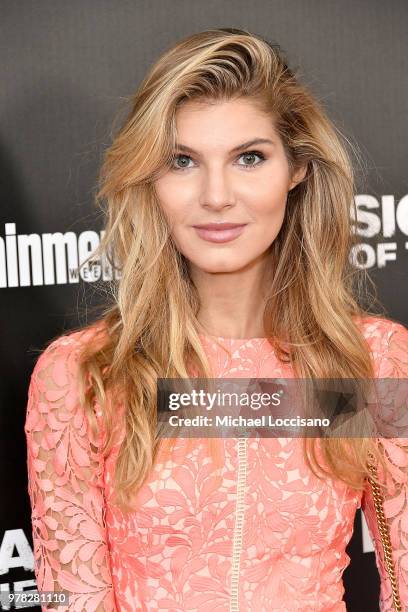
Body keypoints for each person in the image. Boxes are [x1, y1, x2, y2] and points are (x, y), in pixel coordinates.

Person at [24, 28, 408, 611]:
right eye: (182, 161)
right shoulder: (84, 376)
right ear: (150, 179)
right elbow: (65, 596)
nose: (217, 195)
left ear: (297, 168)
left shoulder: (373, 364)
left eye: (249, 157)